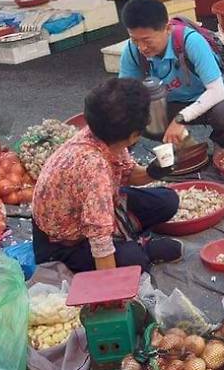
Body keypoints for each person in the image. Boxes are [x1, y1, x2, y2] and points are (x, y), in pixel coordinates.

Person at [32, 78, 183, 273]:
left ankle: (128, 238)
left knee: (168, 200)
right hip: (61, 244)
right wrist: (111, 292)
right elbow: (100, 241)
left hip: (100, 208)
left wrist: (154, 172)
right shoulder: (94, 167)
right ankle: (139, 247)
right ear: (135, 135)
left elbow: (128, 174)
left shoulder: (105, 136)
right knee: (133, 261)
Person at [119, 0, 224, 148]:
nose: (141, 47)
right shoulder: (132, 51)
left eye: (147, 40)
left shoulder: (191, 41)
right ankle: (184, 146)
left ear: (168, 28)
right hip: (168, 104)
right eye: (134, 40)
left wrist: (181, 119)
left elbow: (216, 91)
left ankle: (222, 143)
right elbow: (124, 95)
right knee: (132, 115)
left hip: (206, 99)